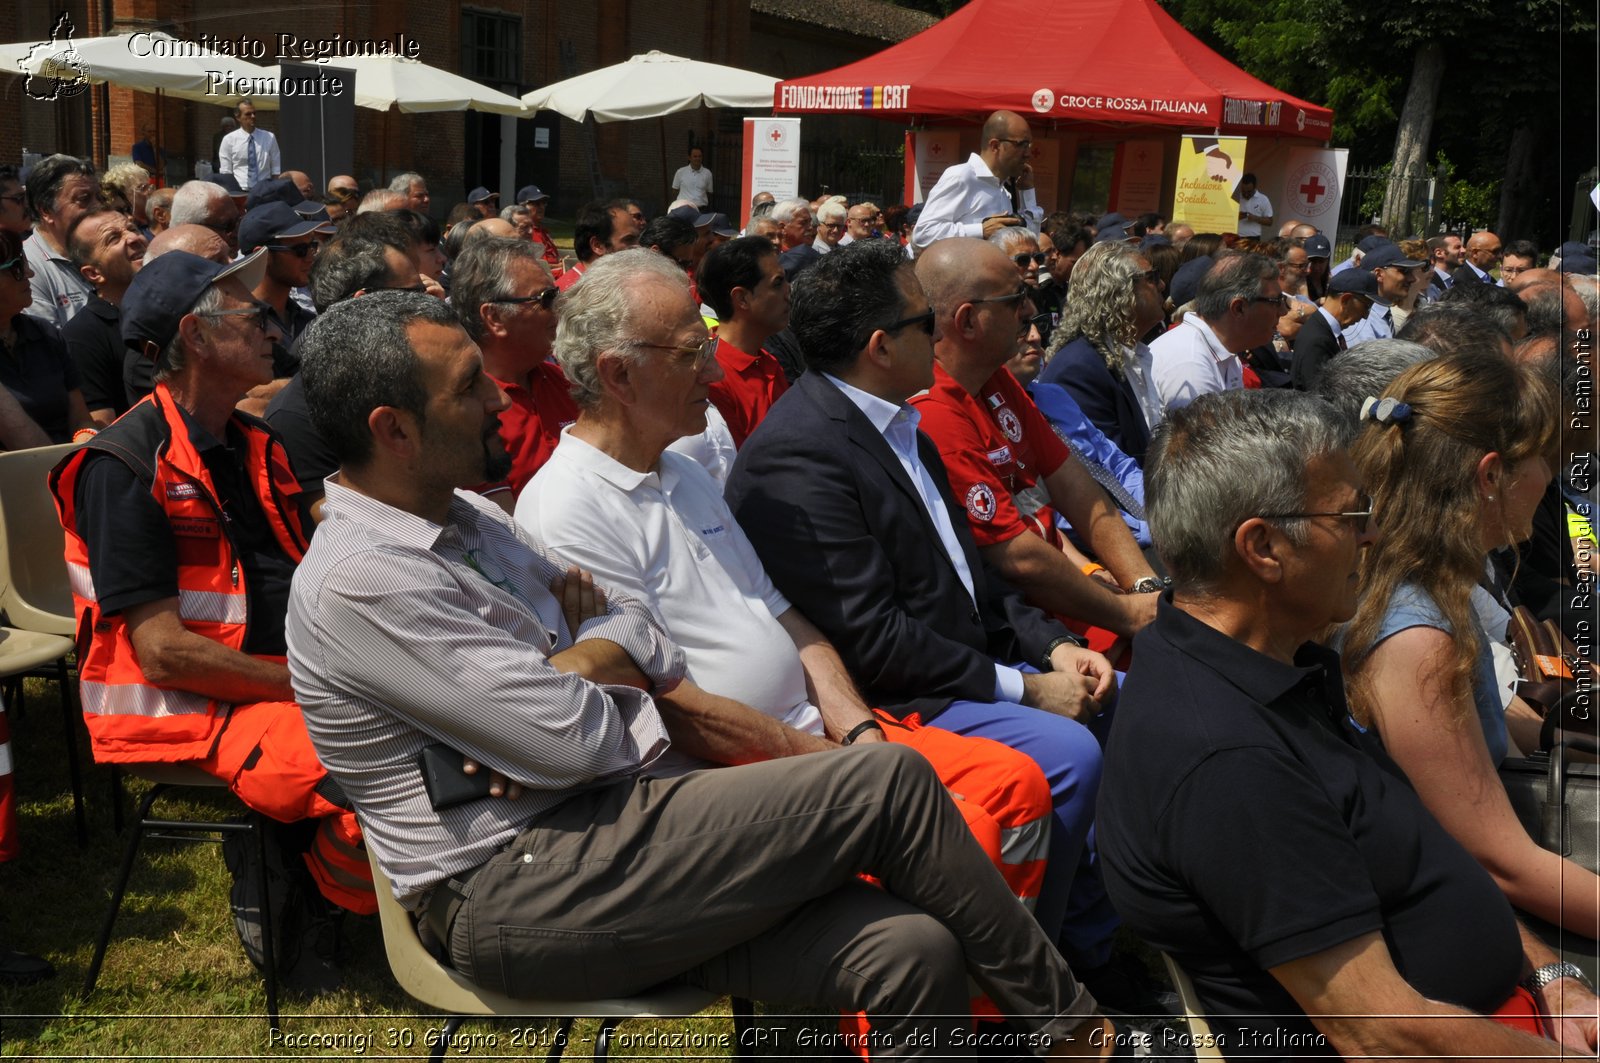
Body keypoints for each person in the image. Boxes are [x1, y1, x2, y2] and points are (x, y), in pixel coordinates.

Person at [285, 288, 1113, 1056]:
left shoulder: (463, 517)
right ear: (393, 430)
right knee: (887, 781)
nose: (501, 398)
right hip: (510, 886)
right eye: (468, 387)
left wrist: (573, 666)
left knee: (911, 946)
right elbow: (573, 739)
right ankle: (1075, 1029)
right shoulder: (365, 575)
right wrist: (587, 677)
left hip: (612, 826)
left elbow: (644, 634)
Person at [517, 248, 1053, 937]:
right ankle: (943, 1028)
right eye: (691, 354)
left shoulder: (683, 470)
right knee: (968, 826)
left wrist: (858, 730)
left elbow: (784, 615)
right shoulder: (566, 508)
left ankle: (994, 1012)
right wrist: (840, 763)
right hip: (726, 783)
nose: (714, 371)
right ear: (618, 374)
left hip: (815, 740)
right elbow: (670, 709)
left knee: (1018, 786)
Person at [1099, 387, 1599, 1058]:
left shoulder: (1274, 663)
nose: (1372, 533)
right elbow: (1379, 1031)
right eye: (1353, 513)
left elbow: (1432, 862)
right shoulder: (1227, 756)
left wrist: (1551, 973)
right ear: (1265, 546)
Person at [724, 241, 1147, 1006]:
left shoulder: (899, 425)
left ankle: (1074, 948)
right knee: (1068, 755)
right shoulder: (799, 456)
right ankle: (1021, 996)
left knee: (1107, 700)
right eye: (926, 323)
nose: (941, 340)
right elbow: (875, 641)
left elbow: (971, 574)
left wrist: (1054, 643)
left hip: (951, 666)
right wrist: (1027, 687)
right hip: (895, 699)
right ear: (882, 347)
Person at [49, 250, 373, 990]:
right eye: (252, 315)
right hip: (187, 704)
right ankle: (308, 894)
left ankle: (332, 883)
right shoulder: (123, 464)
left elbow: (326, 541)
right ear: (196, 337)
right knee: (379, 763)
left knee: (438, 727)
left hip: (273, 677)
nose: (271, 326)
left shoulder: (254, 441)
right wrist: (307, 685)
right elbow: (162, 656)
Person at [1339, 349, 1600, 943]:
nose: (1549, 475)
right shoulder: (1416, 635)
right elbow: (1500, 864)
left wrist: (1565, 732)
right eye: (1541, 457)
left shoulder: (1435, 582)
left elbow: (1477, 722)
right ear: (1490, 476)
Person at [909, 238, 1162, 645]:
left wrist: (1144, 588)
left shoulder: (995, 379)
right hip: (1024, 624)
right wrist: (1127, 615)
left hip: (1069, 591)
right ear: (968, 321)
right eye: (1016, 300)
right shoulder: (935, 412)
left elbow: (1079, 488)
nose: (1030, 312)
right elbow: (1017, 559)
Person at [448, 236, 576, 503]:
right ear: (494, 318)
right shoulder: (464, 411)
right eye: (546, 298)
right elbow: (500, 527)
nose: (560, 307)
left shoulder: (567, 383)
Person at [1039, 242, 1164, 460]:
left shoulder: (1132, 354)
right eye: (1151, 278)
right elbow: (1103, 469)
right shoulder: (1079, 369)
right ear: (1120, 291)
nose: (1161, 285)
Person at [1148, 253, 1282, 413]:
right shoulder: (1191, 365)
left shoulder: (1222, 350)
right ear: (1239, 308)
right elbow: (1204, 437)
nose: (1283, 311)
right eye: (1275, 302)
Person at [696, 236, 790, 447]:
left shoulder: (767, 362)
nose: (788, 291)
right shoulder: (712, 378)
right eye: (777, 283)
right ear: (742, 298)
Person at [0, 229, 93, 443]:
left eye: (24, 261)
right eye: (16, 267)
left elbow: (81, 419)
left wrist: (85, 443)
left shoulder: (46, 334)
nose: (29, 273)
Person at [62, 208, 148, 425]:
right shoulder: (82, 336)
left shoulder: (172, 304)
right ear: (94, 273)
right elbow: (102, 429)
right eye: (113, 238)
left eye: (132, 228)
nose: (134, 238)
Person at [912, 110, 1039, 253]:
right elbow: (923, 234)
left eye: (1028, 145)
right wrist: (980, 230)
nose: (1028, 154)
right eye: (1022, 144)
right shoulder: (962, 176)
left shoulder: (1002, 189)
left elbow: (1031, 240)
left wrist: (1027, 193)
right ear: (995, 146)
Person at [22, 154, 101, 328]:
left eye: (98, 197)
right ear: (46, 210)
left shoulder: (102, 251)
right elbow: (49, 346)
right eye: (84, 199)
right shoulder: (28, 267)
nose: (97, 207)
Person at [1288, 267, 1386, 392]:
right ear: (1346, 300)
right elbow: (1317, 396)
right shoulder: (1318, 340)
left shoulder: (1323, 330)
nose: (1365, 315)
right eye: (1366, 307)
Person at [1341, 241, 1427, 345]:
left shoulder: (1381, 314)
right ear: (1379, 274)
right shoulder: (1363, 319)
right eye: (1404, 271)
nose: (1412, 279)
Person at [555, 200, 639, 292]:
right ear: (597, 245)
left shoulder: (610, 286)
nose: (638, 247)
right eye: (629, 240)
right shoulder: (569, 297)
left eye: (637, 239)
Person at [216, 100, 281, 190]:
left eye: (254, 113)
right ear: (238, 117)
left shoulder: (269, 137)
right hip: (239, 189)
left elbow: (276, 166)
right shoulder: (229, 140)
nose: (253, 116)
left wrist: (275, 187)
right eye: (248, 114)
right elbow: (225, 171)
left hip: (265, 189)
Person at [1231, 172, 1272, 238]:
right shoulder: (1235, 197)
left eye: (1249, 191)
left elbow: (1270, 222)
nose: (1246, 194)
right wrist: (1237, 217)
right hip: (1236, 236)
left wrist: (1255, 218)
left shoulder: (1263, 199)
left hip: (1254, 237)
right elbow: (1225, 218)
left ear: (1255, 187)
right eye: (1244, 191)